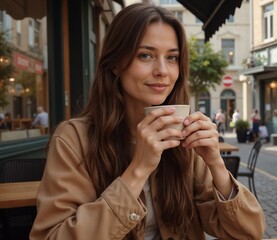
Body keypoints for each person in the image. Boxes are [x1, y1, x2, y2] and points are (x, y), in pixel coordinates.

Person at [30, 3, 265, 240]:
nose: (162, 70)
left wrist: (216, 164)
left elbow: (248, 233)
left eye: (172, 57)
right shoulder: (73, 139)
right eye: (146, 55)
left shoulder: (183, 139)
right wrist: (139, 169)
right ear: (115, 64)